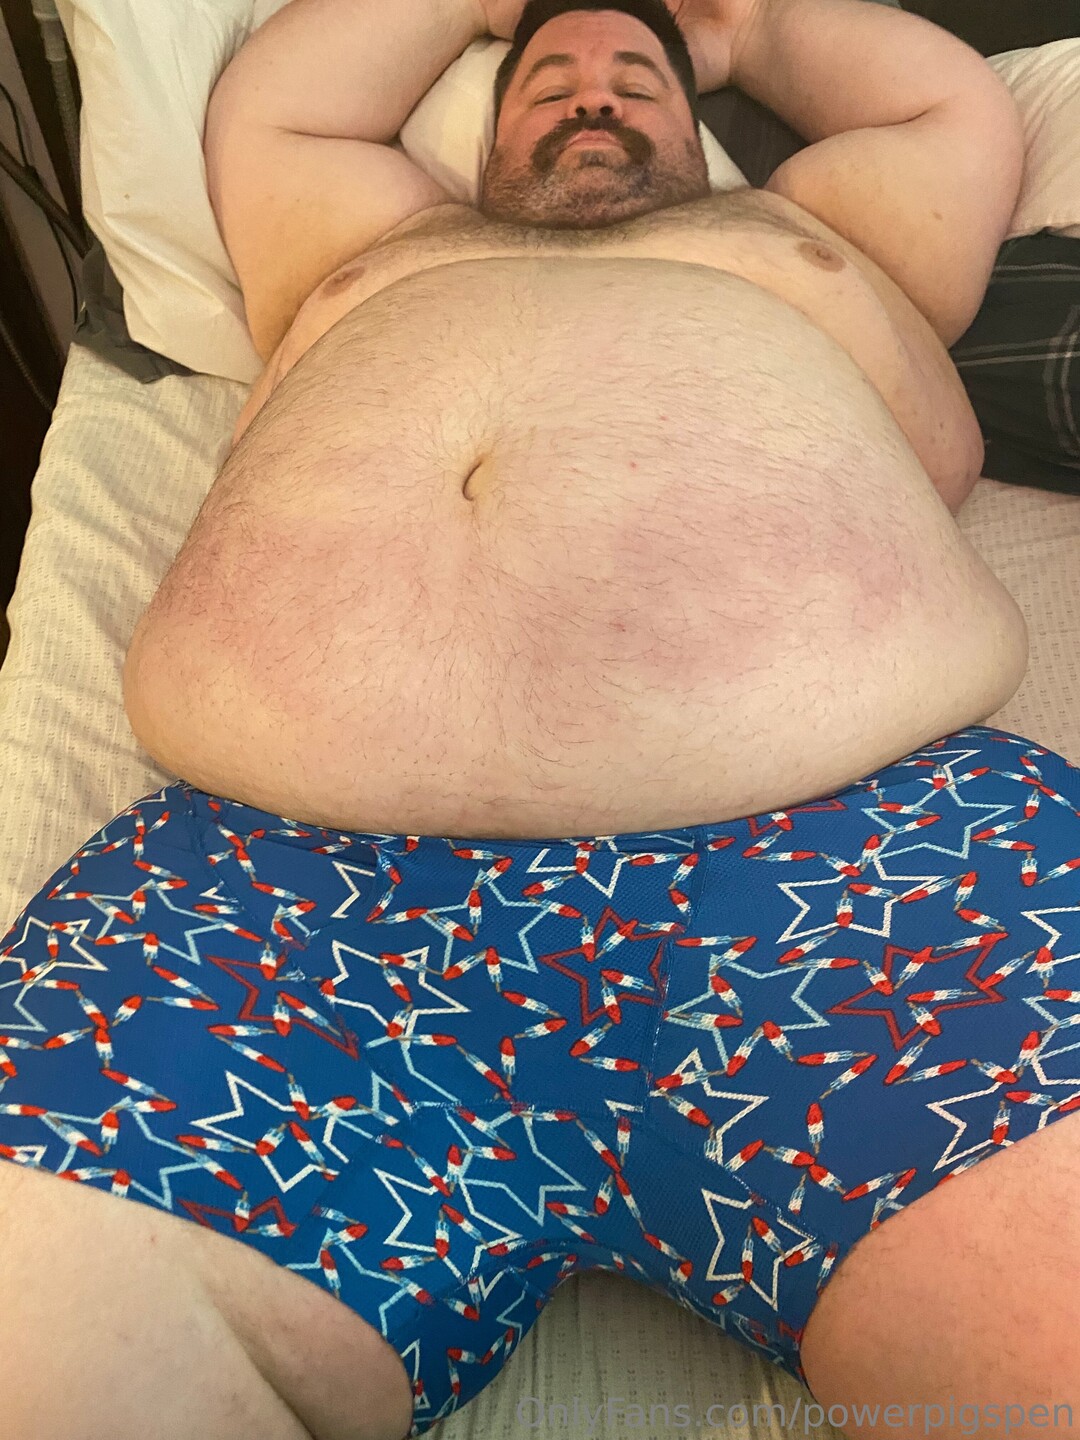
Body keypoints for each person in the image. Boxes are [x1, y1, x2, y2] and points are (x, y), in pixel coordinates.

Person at [1, 1, 1078, 1438]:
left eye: (638, 78)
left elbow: (951, 108)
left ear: (695, 112)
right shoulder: (373, 243)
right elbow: (278, 103)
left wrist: (747, 30)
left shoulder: (820, 235)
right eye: (549, 79)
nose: (593, 96)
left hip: (872, 871)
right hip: (276, 905)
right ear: (489, 122)